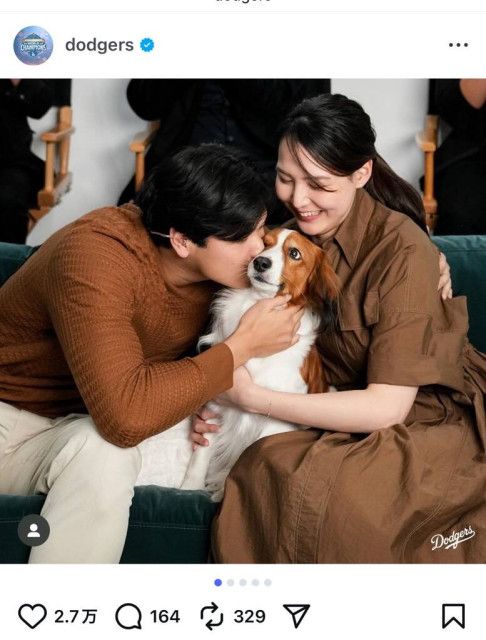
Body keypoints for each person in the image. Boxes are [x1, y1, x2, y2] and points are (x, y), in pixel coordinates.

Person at [190, 93, 486, 563]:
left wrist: (248, 398)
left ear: (361, 174)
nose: (298, 200)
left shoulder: (404, 252)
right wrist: (207, 398)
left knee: (334, 503)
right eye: (285, 178)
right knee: (268, 465)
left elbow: (387, 408)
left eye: (318, 185)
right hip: (335, 407)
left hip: (423, 416)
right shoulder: (280, 238)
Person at [0, 144, 304, 563]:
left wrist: (193, 398)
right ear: (181, 240)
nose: (260, 249)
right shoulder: (94, 255)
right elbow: (125, 417)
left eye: (261, 229)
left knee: (106, 453)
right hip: (8, 423)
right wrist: (241, 347)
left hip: (71, 426)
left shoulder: (221, 273)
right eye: (242, 237)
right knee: (113, 440)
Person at [119, 80, 330, 224]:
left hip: (262, 170)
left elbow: (310, 113)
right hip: (185, 165)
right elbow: (143, 103)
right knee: (128, 221)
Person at [0, 79, 55, 243]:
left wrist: (16, 78)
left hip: (13, 161)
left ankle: (9, 258)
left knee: (7, 198)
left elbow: (39, 107)